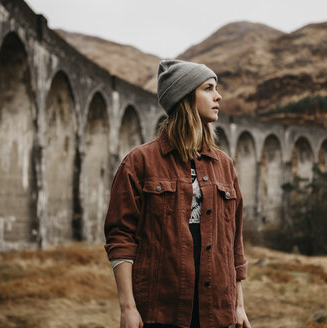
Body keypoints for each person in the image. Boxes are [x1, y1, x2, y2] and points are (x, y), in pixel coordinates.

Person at [104, 59, 251, 328]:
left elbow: (233, 242)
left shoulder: (225, 166)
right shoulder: (139, 162)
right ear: (184, 97)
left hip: (216, 313)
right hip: (161, 313)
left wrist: (238, 306)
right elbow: (120, 237)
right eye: (208, 88)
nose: (218, 96)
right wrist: (128, 308)